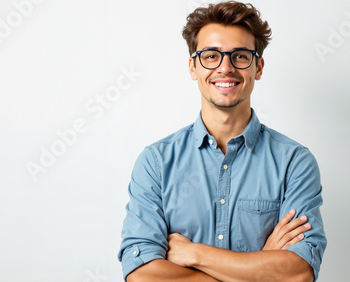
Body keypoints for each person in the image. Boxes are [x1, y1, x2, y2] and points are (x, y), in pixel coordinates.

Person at [118, 1, 327, 281]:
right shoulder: (155, 163)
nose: (225, 68)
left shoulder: (294, 163)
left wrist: (195, 254)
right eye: (211, 56)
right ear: (193, 67)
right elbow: (142, 275)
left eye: (240, 56)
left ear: (258, 67)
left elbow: (298, 273)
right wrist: (260, 268)